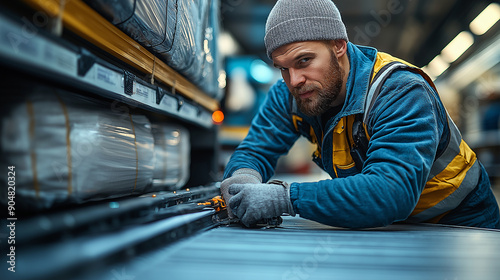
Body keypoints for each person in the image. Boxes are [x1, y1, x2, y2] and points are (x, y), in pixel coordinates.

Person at [220, 0, 500, 229]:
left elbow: (390, 192)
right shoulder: (291, 94)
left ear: (338, 46)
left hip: (460, 223)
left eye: (304, 60)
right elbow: (255, 149)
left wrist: (285, 198)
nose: (294, 80)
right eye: (283, 68)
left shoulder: (399, 90)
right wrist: (244, 179)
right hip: (386, 225)